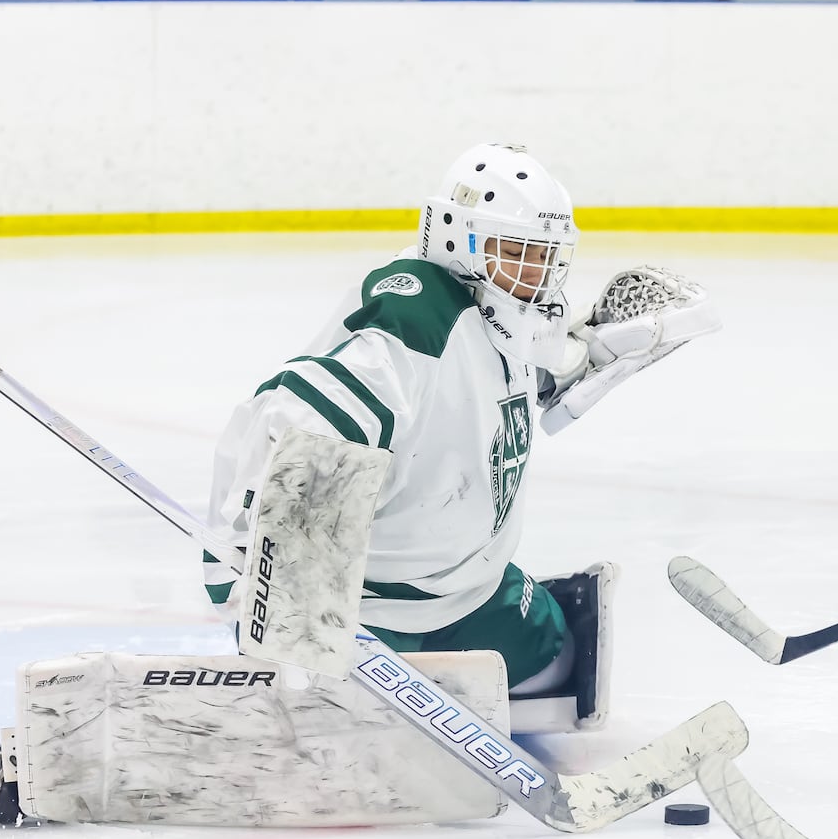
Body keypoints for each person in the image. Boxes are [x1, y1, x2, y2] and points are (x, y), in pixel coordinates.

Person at [205, 143, 717, 706]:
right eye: (518, 252)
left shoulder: (504, 308)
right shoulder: (413, 322)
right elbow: (297, 422)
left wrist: (594, 354)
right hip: (372, 609)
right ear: (457, 238)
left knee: (559, 658)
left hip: (471, 589)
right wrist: (268, 598)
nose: (538, 274)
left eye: (546, 256)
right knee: (349, 727)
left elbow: (491, 393)